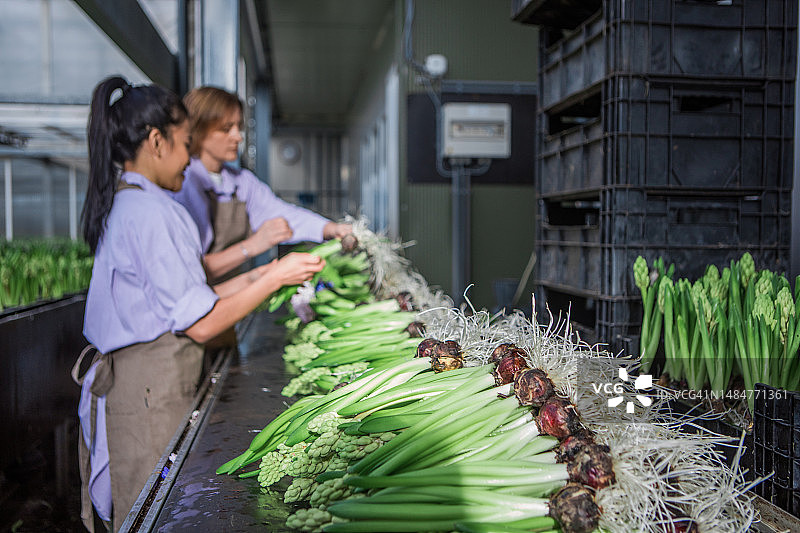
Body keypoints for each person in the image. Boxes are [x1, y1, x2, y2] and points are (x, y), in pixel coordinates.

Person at [74, 76, 324, 532]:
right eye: (185, 143)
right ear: (156, 141)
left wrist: (265, 273)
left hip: (159, 377)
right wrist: (273, 275)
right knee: (148, 512)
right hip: (146, 388)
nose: (188, 158)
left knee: (163, 504)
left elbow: (192, 296)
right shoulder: (148, 213)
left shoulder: (148, 204)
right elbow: (202, 323)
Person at [171, 86, 351, 283]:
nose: (238, 137)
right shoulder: (181, 183)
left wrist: (331, 229)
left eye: (238, 127)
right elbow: (188, 268)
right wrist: (254, 244)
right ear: (198, 130)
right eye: (226, 129)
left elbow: (283, 214)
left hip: (231, 296)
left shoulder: (242, 182)